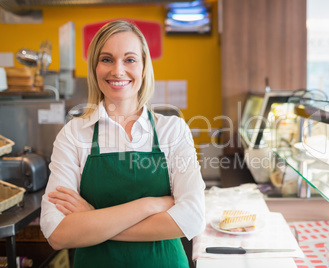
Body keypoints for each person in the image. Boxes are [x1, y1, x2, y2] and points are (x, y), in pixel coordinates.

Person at [40, 20, 206, 268]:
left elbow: (191, 220)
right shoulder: (74, 134)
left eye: (129, 59)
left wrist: (92, 219)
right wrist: (149, 205)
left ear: (143, 67)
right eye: (107, 59)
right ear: (94, 67)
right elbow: (57, 233)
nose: (118, 71)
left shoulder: (172, 130)